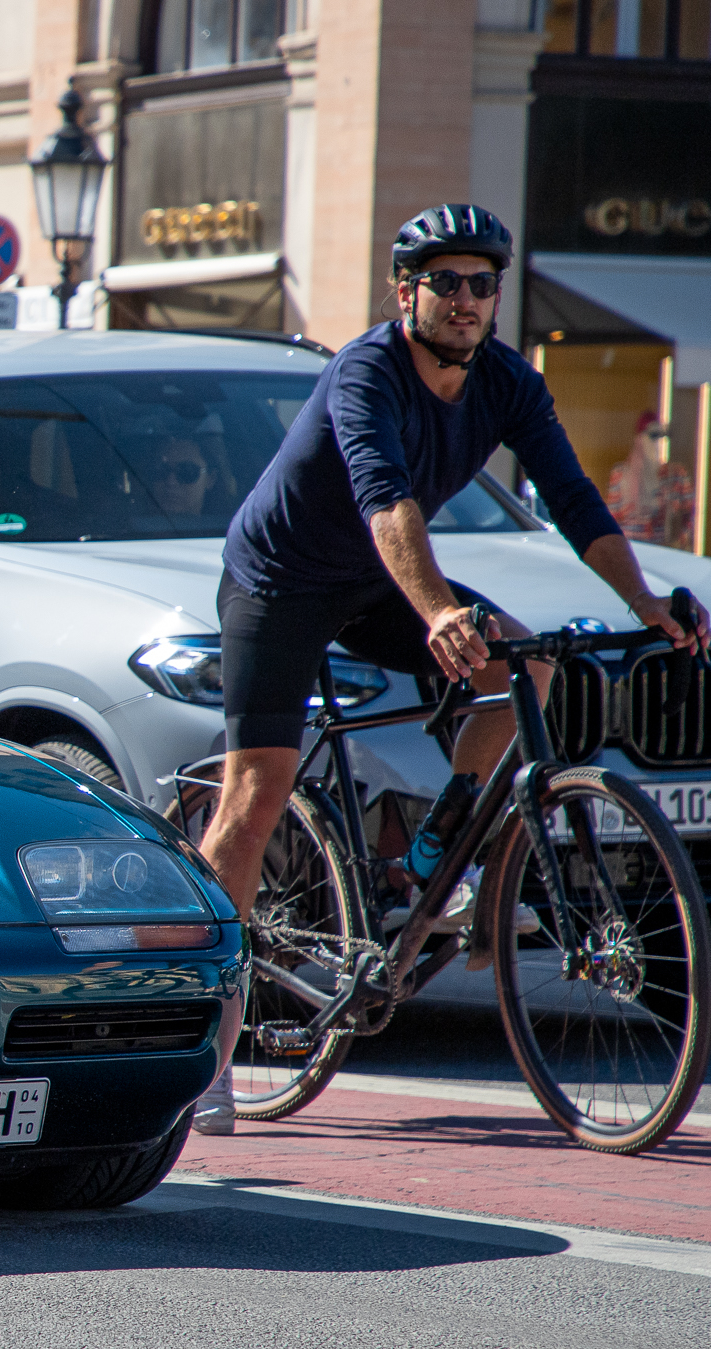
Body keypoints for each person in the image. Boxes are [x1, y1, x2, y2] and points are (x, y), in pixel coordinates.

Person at [199, 204, 705, 950]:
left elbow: (572, 499)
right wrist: (439, 612)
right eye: (444, 280)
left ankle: (443, 843)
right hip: (282, 581)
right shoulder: (367, 372)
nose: (465, 298)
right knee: (257, 791)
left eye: (482, 282)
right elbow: (388, 502)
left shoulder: (508, 381)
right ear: (406, 291)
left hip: (375, 583)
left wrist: (643, 598)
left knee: (522, 663)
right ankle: (203, 1006)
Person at [608, 411, 696, 548]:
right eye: (653, 436)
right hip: (631, 548)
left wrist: (680, 544)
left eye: (661, 436)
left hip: (663, 548)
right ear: (640, 438)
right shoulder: (620, 474)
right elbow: (612, 518)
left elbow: (689, 514)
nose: (657, 442)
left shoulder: (676, 474)